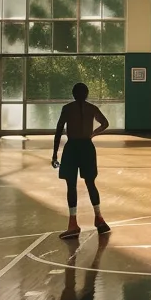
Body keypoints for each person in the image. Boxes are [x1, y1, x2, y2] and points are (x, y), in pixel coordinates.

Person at [52, 83, 110, 240]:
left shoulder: (67, 108)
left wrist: (54, 155)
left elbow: (58, 131)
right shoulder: (91, 108)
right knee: (91, 183)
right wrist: (93, 133)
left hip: (72, 147)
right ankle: (99, 219)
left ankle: (73, 224)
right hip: (87, 147)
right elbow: (105, 123)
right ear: (87, 94)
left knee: (71, 185)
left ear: (73, 94)